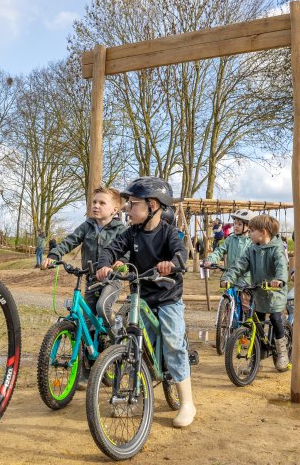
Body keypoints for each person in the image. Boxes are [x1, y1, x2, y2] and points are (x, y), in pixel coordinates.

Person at [95, 177, 195, 428]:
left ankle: (187, 403)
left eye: (133, 204)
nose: (128, 209)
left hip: (167, 297)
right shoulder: (132, 233)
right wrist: (104, 265)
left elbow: (181, 254)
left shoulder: (169, 233)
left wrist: (172, 264)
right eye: (128, 204)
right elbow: (111, 249)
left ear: (153, 205)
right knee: (131, 342)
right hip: (141, 296)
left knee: (173, 343)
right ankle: (135, 395)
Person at [42, 187, 126, 387]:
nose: (96, 206)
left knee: (102, 306)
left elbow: (128, 249)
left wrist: (121, 261)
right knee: (85, 324)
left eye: (102, 203)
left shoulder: (120, 229)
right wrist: (54, 255)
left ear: (115, 209)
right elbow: (70, 241)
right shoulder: (87, 226)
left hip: (112, 279)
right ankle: (86, 372)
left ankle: (117, 342)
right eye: (94, 202)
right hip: (91, 278)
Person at [221, 214, 289, 372]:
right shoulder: (252, 249)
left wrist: (279, 279)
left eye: (252, 231)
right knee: (256, 323)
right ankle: (255, 359)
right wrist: (229, 278)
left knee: (275, 318)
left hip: (275, 292)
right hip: (259, 291)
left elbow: (281, 266)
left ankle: (282, 353)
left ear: (263, 232)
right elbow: (240, 264)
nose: (249, 233)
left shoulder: (277, 248)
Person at [203, 209, 257, 282]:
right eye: (235, 223)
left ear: (249, 226)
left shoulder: (252, 241)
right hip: (230, 277)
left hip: (247, 279)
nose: (236, 226)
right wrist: (210, 260)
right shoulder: (230, 239)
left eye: (239, 224)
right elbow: (219, 251)